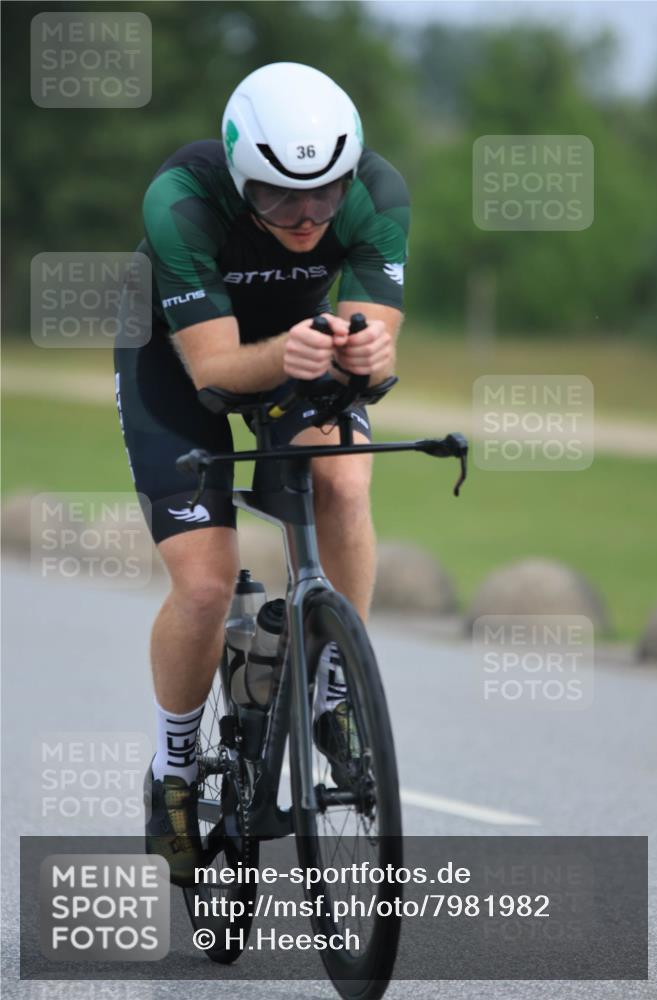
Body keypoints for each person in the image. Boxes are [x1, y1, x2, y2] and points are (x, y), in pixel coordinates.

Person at [113, 62, 409, 885]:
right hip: (175, 360)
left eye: (325, 194)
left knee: (343, 481)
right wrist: (291, 350)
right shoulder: (179, 201)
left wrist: (371, 352)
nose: (308, 215)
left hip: (296, 347)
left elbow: (373, 339)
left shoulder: (377, 192)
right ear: (242, 177)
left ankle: (335, 694)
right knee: (206, 586)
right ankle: (174, 772)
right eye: (280, 197)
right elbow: (211, 371)